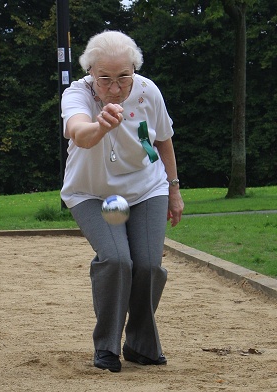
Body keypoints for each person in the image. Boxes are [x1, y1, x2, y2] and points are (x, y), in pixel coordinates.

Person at [61, 30, 184, 373]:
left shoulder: (148, 92)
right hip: (92, 193)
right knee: (117, 261)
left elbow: (164, 140)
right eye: (105, 79)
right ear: (91, 73)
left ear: (134, 70)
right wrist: (100, 126)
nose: (115, 88)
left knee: (148, 265)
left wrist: (174, 190)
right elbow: (79, 133)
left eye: (123, 78)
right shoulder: (77, 94)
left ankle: (141, 345)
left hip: (147, 188)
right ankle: (107, 348)